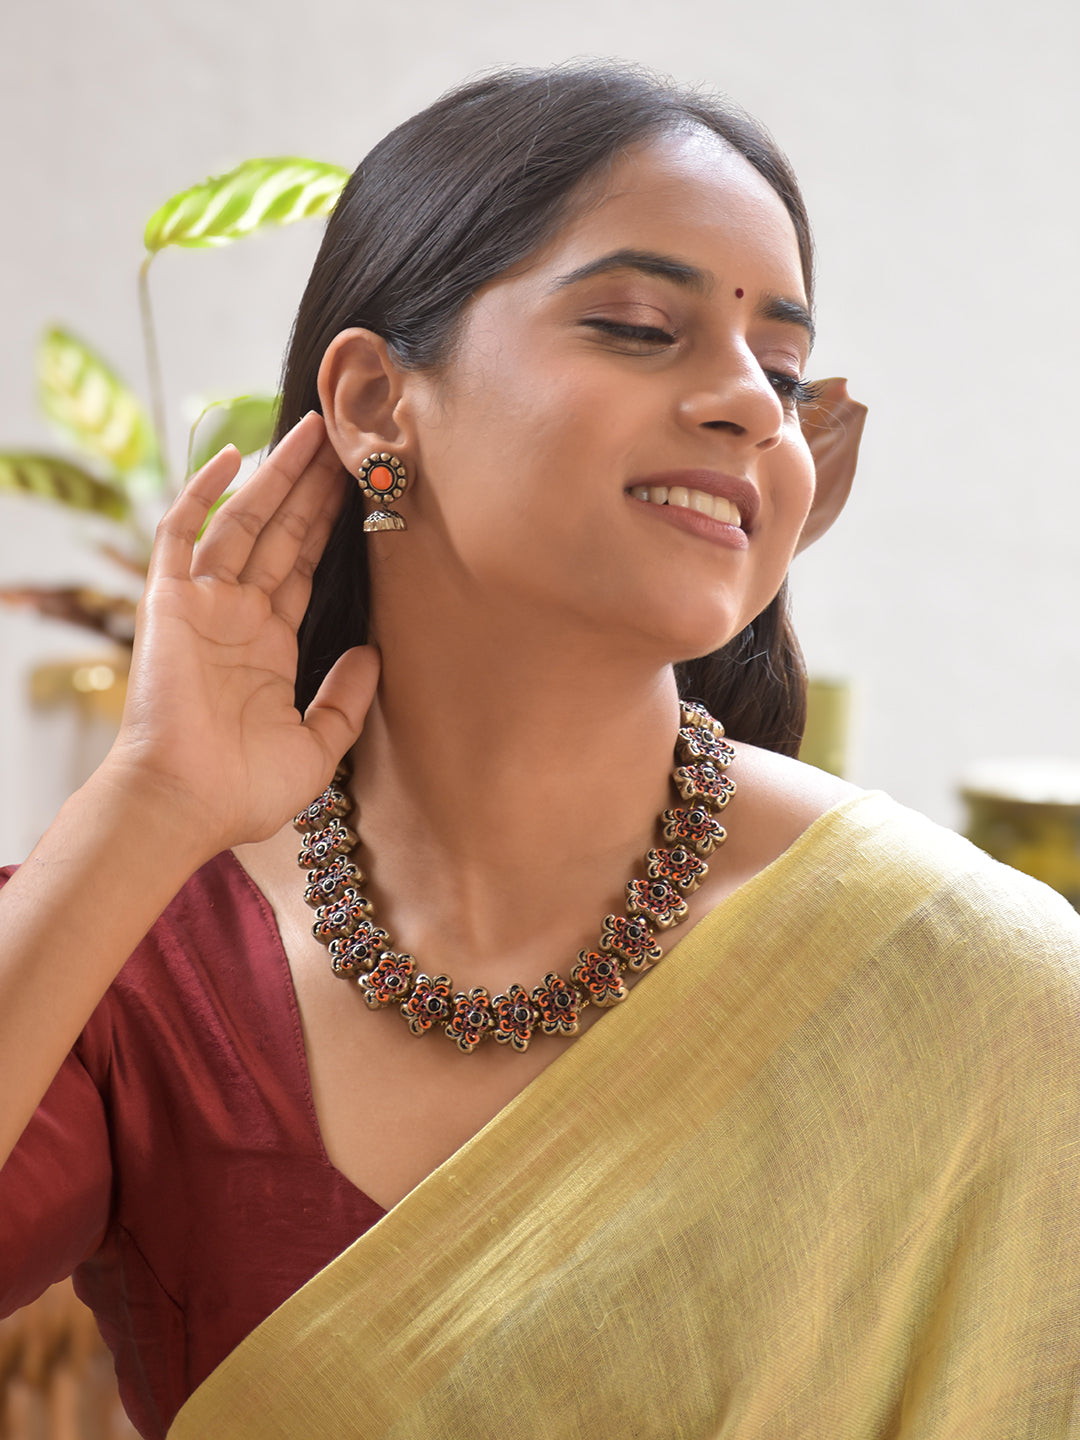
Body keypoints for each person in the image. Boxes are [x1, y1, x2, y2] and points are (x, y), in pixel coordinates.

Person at [1, 64, 1078, 1440]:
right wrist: (151, 801)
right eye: (640, 324)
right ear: (378, 402)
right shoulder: (151, 947)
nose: (752, 400)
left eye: (785, 369)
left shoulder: (971, 988)